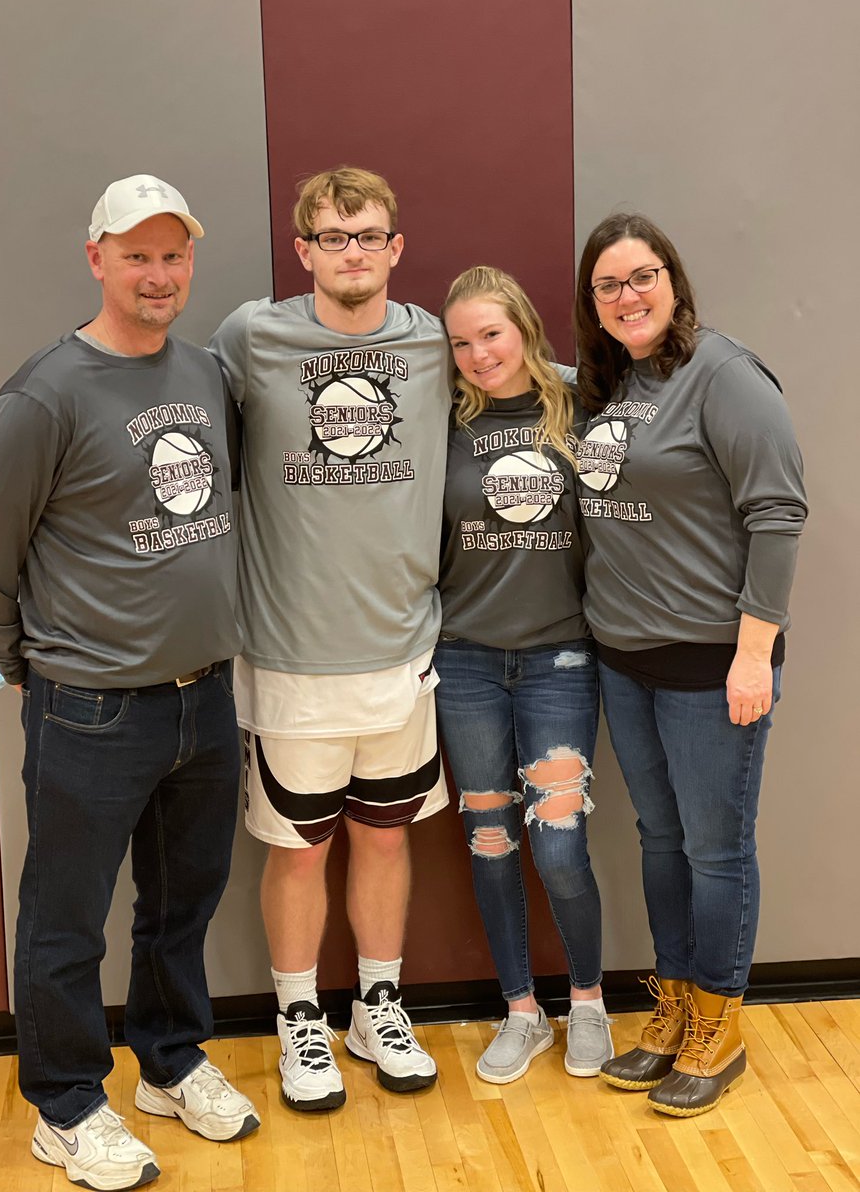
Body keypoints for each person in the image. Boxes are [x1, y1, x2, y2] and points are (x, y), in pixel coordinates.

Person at [0, 175, 259, 1192]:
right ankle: (67, 1105)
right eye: (137, 255)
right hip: (90, 707)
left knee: (183, 905)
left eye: (173, 255)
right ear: (97, 259)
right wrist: (19, 651)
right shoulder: (45, 392)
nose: (159, 273)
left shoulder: (208, 373)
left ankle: (170, 1064)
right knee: (66, 917)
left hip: (205, 698)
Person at [209, 166, 450, 1111]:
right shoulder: (249, 337)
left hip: (404, 652)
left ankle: (377, 1005)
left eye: (369, 236)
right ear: (302, 250)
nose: (352, 253)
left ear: (396, 248)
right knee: (300, 850)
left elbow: (532, 376)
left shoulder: (433, 342)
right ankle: (299, 1018)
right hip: (291, 658)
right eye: (333, 237)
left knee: (385, 839)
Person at [572, 212, 807, 1117]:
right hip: (626, 659)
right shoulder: (612, 381)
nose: (628, 296)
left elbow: (778, 514)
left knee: (716, 850)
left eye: (643, 277)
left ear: (673, 280)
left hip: (715, 664)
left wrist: (755, 655)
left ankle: (722, 1021)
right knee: (661, 841)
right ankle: (672, 1010)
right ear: (592, 303)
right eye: (608, 285)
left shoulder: (726, 375)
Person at [435, 266, 612, 1084]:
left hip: (560, 659)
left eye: (491, 334)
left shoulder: (582, 404)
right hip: (464, 660)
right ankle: (520, 1010)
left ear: (525, 329)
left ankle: (586, 1001)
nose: (477, 354)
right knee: (492, 840)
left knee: (562, 845)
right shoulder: (443, 420)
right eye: (461, 341)